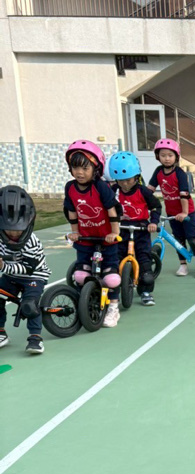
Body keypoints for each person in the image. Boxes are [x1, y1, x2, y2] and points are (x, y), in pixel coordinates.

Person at [63, 139, 122, 328]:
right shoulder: (70, 187)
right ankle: (86, 302)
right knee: (81, 275)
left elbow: (112, 210)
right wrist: (75, 232)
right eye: (75, 167)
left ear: (95, 168)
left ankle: (113, 307)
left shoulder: (100, 186)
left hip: (106, 238)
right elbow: (72, 211)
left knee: (110, 277)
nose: (79, 172)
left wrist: (114, 232)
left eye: (85, 168)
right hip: (85, 238)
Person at [0, 186, 51, 354]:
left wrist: (3, 266)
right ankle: (1, 332)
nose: (14, 234)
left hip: (34, 275)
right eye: (9, 230)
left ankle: (35, 338)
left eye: (19, 229)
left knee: (30, 304)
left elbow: (28, 269)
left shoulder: (32, 242)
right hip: (11, 276)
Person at [108, 151, 162, 306]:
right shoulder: (113, 191)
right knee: (116, 259)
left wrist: (153, 222)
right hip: (121, 229)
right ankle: (115, 291)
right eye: (121, 180)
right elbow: (106, 207)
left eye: (128, 180)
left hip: (141, 230)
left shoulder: (142, 191)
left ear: (136, 176)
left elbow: (156, 207)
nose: (124, 184)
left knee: (144, 261)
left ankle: (146, 292)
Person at [148, 138, 195, 278]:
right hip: (172, 213)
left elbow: (184, 195)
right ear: (158, 157)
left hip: (187, 212)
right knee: (178, 240)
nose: (167, 158)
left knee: (192, 239)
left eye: (170, 155)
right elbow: (149, 190)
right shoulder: (158, 172)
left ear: (176, 156)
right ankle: (183, 265)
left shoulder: (179, 173)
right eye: (163, 155)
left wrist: (185, 212)